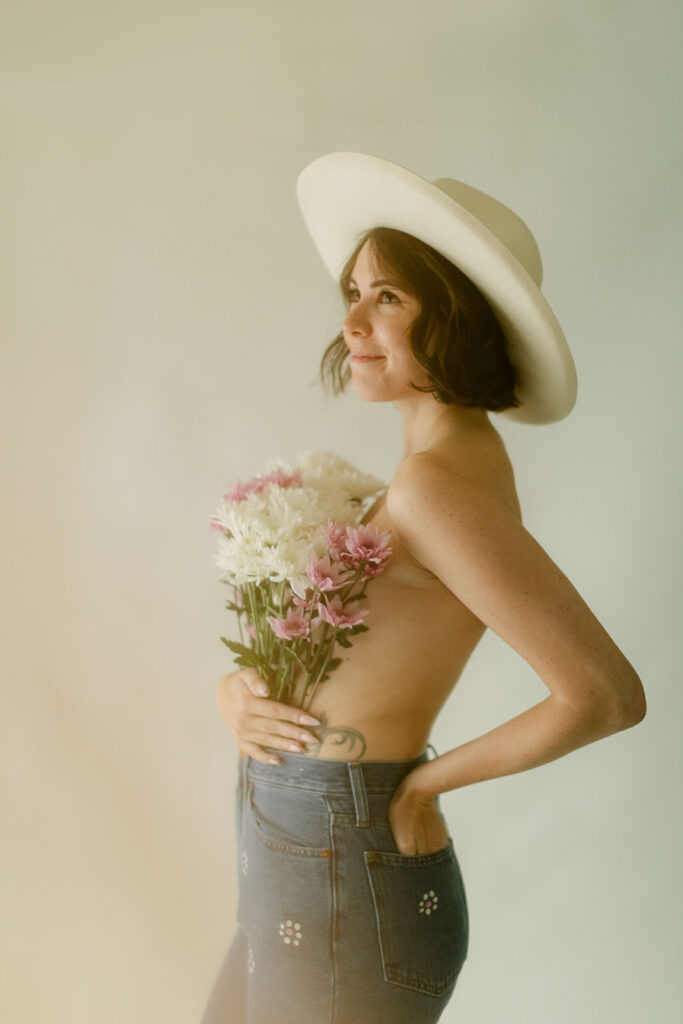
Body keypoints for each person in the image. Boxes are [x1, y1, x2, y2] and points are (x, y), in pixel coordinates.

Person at [200, 152, 646, 1024]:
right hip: (304, 841)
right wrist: (236, 692)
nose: (352, 319)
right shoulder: (426, 472)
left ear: (458, 320)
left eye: (389, 298)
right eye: (355, 290)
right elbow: (360, 656)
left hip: (343, 853)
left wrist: (417, 788)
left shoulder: (437, 486)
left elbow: (601, 696)